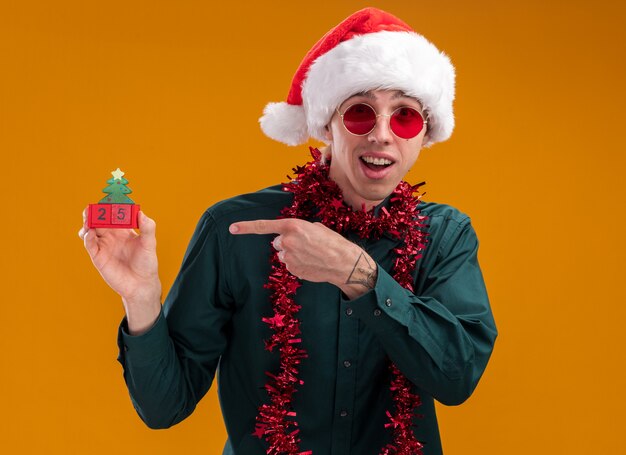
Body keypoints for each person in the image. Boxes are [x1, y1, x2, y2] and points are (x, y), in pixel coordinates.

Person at [79, 7, 497, 455]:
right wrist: (140, 299)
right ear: (327, 125)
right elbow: (165, 407)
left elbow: (457, 378)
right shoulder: (235, 229)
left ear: (424, 134)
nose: (381, 134)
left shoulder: (445, 235)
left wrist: (362, 277)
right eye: (359, 112)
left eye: (405, 117)